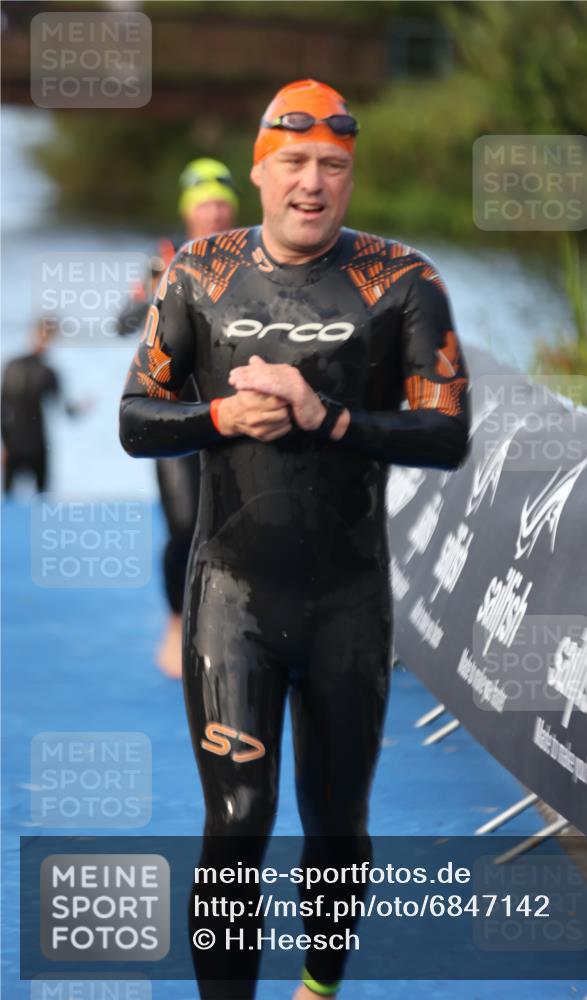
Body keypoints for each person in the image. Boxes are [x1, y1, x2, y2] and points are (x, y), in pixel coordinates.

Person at [119, 79, 470, 1000]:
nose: (312, 185)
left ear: (351, 175)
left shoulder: (403, 281)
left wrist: (330, 419)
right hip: (230, 597)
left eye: (333, 167)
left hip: (348, 603)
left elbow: (445, 435)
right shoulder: (197, 271)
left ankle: (318, 988)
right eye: (294, 164)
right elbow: (132, 418)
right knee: (237, 817)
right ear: (259, 172)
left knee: (336, 820)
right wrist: (223, 413)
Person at [117, 158, 239, 677]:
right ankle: (175, 621)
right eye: (205, 205)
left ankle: (234, 626)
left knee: (238, 522)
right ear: (190, 212)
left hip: (235, 409)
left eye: (221, 205)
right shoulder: (164, 257)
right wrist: (157, 290)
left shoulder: (252, 256)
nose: (213, 214)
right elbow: (123, 321)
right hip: (174, 411)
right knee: (185, 521)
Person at [1, 317, 88, 495]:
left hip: (34, 443)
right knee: (10, 502)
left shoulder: (48, 372)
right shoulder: (16, 366)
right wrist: (5, 445)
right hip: (17, 443)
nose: (46, 340)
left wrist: (81, 408)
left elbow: (66, 410)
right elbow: (3, 407)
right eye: (44, 334)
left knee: (39, 503)